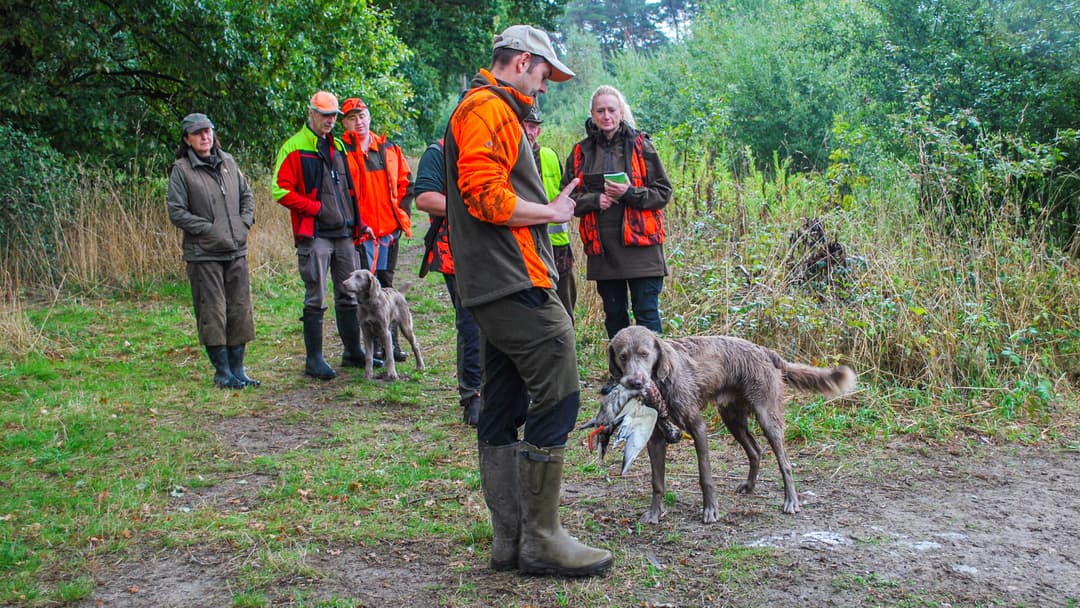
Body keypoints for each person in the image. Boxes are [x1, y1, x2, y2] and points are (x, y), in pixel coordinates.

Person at [445, 24, 612, 577]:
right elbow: (483, 196)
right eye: (543, 74)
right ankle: (541, 539)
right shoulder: (487, 108)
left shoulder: (492, 109)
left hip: (496, 279)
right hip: (510, 278)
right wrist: (551, 212)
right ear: (521, 62)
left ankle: (511, 540)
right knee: (560, 385)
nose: (544, 87)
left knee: (504, 398)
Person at [273, 91, 376, 380]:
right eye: (324, 115)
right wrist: (314, 208)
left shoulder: (339, 146)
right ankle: (314, 360)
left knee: (349, 294)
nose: (329, 120)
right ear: (311, 113)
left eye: (333, 116)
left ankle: (352, 352)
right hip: (315, 233)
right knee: (315, 296)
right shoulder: (294, 147)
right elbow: (279, 190)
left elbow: (348, 192)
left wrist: (360, 223)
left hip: (344, 233)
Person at [564, 85, 673, 345]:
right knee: (614, 318)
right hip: (603, 253)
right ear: (592, 114)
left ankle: (657, 372)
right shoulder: (580, 152)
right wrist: (594, 200)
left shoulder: (641, 146)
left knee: (647, 317)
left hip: (643, 252)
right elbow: (566, 199)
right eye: (600, 111)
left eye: (612, 110)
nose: (606, 116)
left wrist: (629, 193)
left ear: (621, 112)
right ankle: (619, 370)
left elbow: (663, 192)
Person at [166, 113, 259, 389]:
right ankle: (222, 372)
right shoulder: (182, 170)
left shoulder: (228, 162)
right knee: (213, 311)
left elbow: (247, 196)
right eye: (197, 133)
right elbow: (176, 211)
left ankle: (239, 370)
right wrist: (209, 229)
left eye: (207, 131)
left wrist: (243, 223)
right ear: (187, 139)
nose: (204, 136)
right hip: (204, 253)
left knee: (240, 309)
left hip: (236, 249)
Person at [340, 97, 415, 363]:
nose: (358, 122)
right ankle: (363, 350)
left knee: (386, 287)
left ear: (369, 117)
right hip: (360, 235)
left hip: (388, 233)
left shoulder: (388, 149)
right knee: (361, 291)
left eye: (361, 116)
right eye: (352, 118)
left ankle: (391, 345)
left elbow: (407, 185)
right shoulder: (340, 152)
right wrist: (355, 224)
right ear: (345, 123)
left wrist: (401, 219)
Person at [415, 139, 483, 426]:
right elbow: (424, 198)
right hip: (454, 252)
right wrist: (472, 206)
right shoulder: (438, 152)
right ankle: (472, 395)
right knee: (471, 324)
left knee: (500, 324)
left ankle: (501, 391)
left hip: (498, 250)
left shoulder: (492, 145)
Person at [523, 105, 576, 320]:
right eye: (524, 125)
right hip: (524, 245)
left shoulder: (550, 155)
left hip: (557, 246)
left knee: (564, 307)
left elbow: (566, 194)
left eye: (533, 127)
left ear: (539, 131)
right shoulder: (508, 158)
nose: (529, 131)